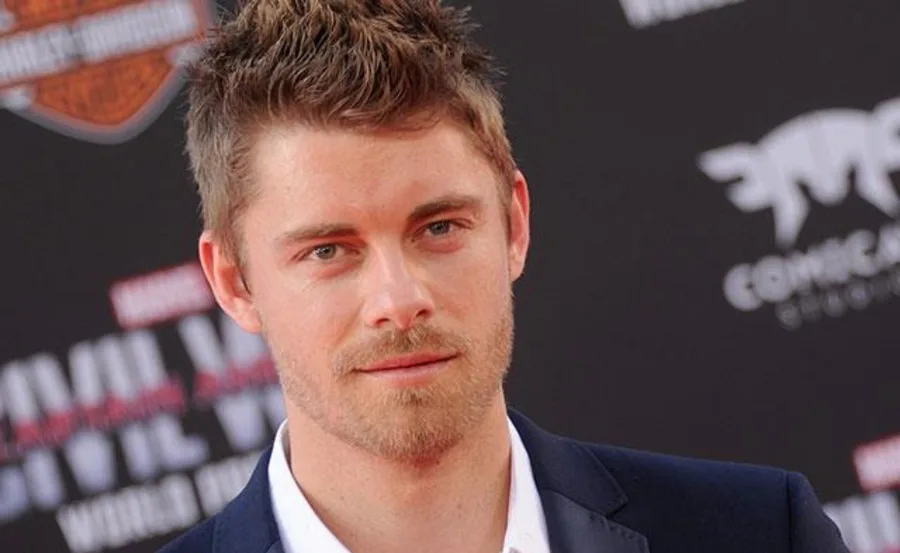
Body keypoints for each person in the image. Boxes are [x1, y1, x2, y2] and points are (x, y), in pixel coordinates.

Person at [159, 1, 850, 552]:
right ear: (234, 281)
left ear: (513, 225)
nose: (400, 302)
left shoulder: (760, 532)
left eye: (438, 228)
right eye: (328, 251)